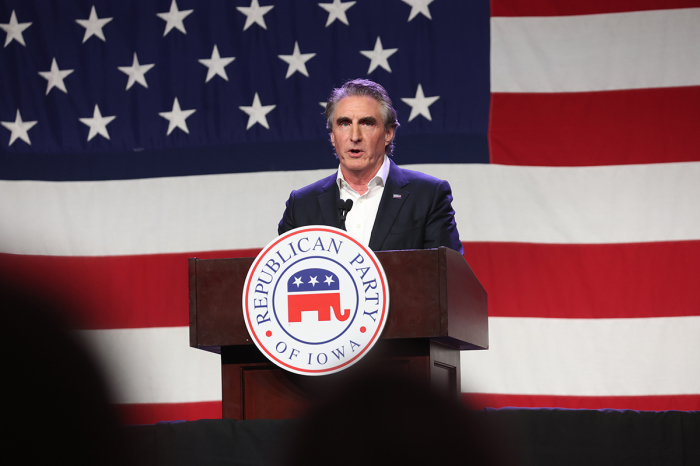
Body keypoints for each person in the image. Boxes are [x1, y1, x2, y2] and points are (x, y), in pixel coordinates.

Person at [278, 79, 463, 254]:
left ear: (388, 133)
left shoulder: (428, 196)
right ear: (333, 136)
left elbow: (448, 277)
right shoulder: (301, 205)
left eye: (367, 123)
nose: (355, 136)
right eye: (344, 124)